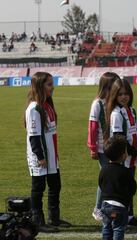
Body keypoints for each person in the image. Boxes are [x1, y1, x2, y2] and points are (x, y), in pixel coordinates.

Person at [25, 72, 71, 232]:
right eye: (49, 84)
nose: (53, 87)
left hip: (52, 155)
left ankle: (54, 218)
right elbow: (34, 136)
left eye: (52, 84)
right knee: (38, 188)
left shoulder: (47, 105)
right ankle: (38, 221)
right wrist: (40, 156)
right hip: (41, 157)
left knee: (55, 185)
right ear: (40, 86)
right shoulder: (34, 108)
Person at [105, 78, 137, 228]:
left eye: (126, 93)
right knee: (122, 190)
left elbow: (136, 133)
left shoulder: (131, 111)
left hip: (132, 158)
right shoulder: (117, 114)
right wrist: (136, 153)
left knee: (129, 188)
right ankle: (121, 217)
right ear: (115, 95)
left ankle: (129, 216)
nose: (124, 97)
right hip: (123, 160)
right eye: (120, 94)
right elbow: (119, 140)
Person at [87, 72, 120, 221]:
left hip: (114, 147)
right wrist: (93, 148)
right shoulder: (98, 103)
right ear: (108, 86)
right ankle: (97, 208)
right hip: (102, 149)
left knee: (112, 178)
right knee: (105, 179)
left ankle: (112, 207)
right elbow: (92, 127)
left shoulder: (114, 102)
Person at [99, 135, 137, 240]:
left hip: (105, 206)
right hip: (120, 207)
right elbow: (132, 188)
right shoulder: (125, 171)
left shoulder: (103, 169)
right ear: (122, 155)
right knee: (118, 229)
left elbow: (101, 184)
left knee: (106, 228)